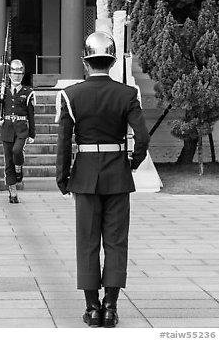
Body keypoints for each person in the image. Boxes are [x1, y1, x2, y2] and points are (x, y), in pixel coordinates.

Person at [55, 31, 150, 327]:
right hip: (117, 174)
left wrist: (63, 176)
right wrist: (132, 161)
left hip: (84, 174)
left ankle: (92, 308)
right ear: (110, 62)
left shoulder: (71, 95)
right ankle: (111, 306)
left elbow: (63, 141)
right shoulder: (127, 94)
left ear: (86, 63)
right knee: (116, 241)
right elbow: (142, 136)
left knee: (87, 242)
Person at [0, 59, 36, 203]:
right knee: (8, 161)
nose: (17, 76)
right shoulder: (3, 90)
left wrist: (32, 134)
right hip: (7, 128)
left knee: (17, 151)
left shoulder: (27, 92)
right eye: (14, 73)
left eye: (19, 74)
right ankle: (12, 192)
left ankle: (19, 167)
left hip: (21, 128)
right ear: (9, 74)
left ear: (23, 75)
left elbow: (31, 114)